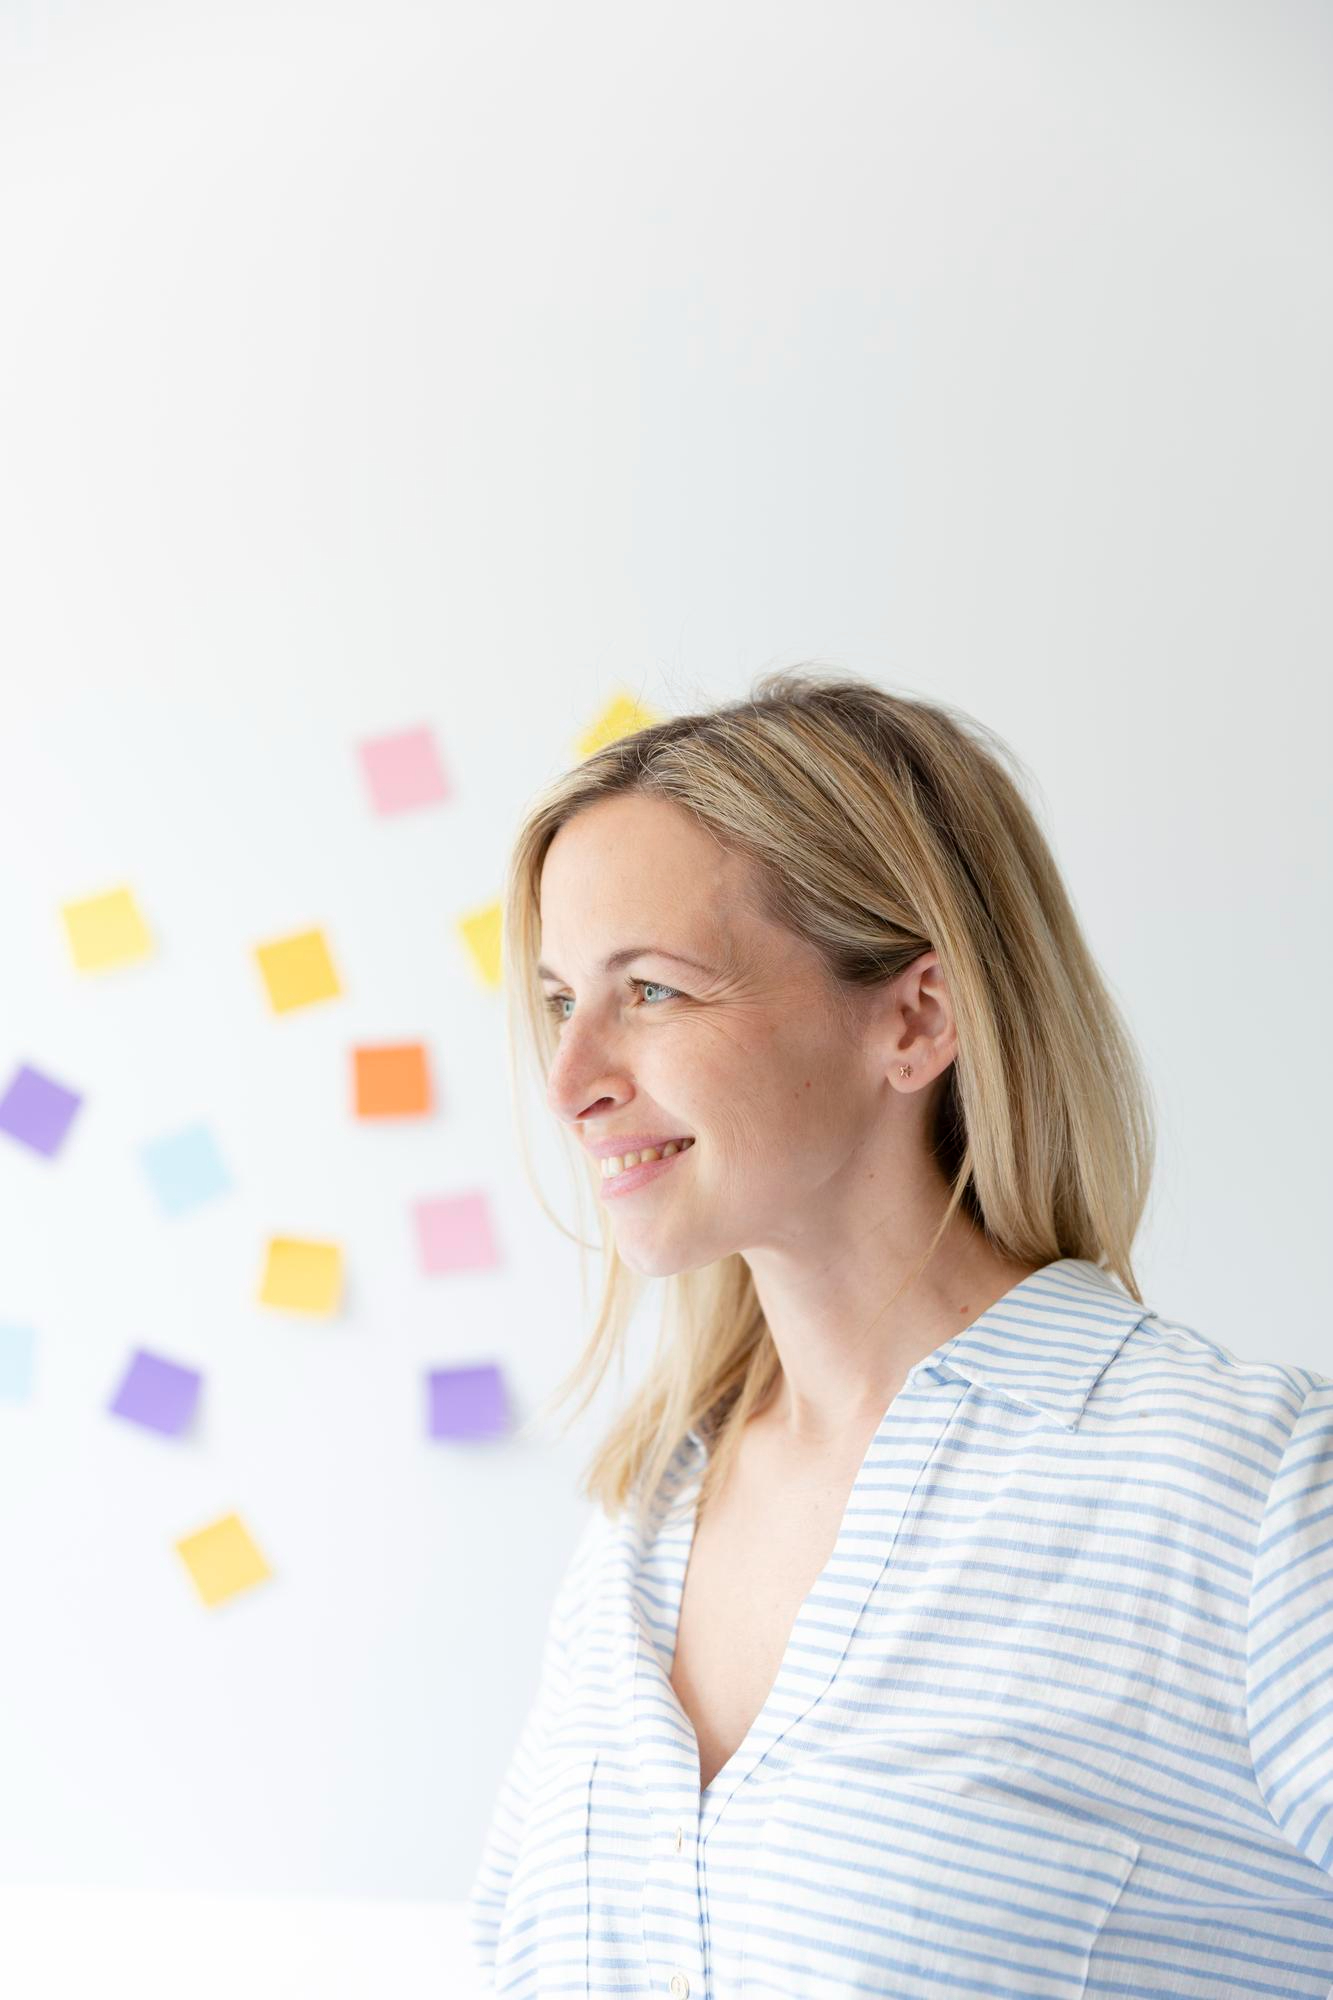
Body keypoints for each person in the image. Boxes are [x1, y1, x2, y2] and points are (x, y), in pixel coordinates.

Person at [466, 666, 1333, 1998]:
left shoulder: (1243, 1492)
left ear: (914, 1017)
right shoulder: (636, 1531)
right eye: (556, 1003)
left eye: (649, 991)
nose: (571, 1080)